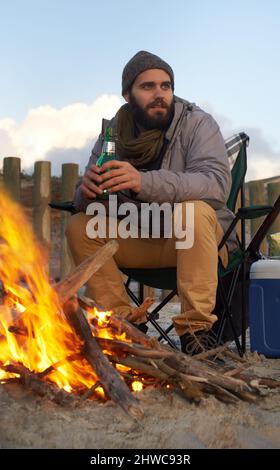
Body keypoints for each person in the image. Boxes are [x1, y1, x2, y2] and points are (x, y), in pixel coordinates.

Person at [66, 50, 237, 355]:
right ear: (127, 94)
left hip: (193, 239)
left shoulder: (197, 124)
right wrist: (86, 192)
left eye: (166, 86)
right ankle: (124, 328)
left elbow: (215, 185)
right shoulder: (112, 133)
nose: (160, 94)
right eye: (148, 87)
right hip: (141, 235)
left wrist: (143, 182)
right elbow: (86, 199)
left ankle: (196, 334)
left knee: (193, 210)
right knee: (81, 225)